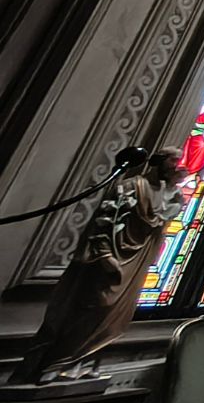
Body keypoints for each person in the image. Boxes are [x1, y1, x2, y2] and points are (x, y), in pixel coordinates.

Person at [13, 149, 191, 382]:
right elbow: (105, 223)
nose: (179, 165)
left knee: (113, 313)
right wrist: (105, 254)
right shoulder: (132, 187)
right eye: (174, 160)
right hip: (113, 255)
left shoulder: (173, 196)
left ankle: (80, 362)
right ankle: (54, 363)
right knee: (94, 302)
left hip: (137, 260)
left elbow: (159, 228)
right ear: (159, 161)